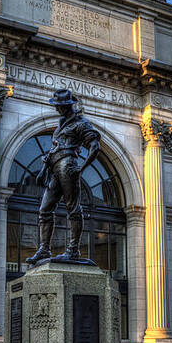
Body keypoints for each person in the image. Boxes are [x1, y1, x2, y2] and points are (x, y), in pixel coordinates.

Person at [26, 89, 100, 264]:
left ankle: (73, 250)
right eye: (57, 106)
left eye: (59, 106)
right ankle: (44, 249)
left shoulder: (81, 124)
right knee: (45, 209)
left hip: (68, 166)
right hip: (54, 169)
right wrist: (44, 170)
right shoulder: (61, 126)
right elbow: (53, 150)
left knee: (72, 208)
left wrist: (81, 168)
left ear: (67, 106)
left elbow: (95, 146)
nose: (57, 109)